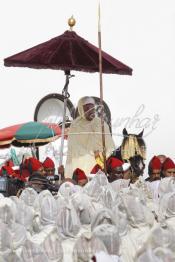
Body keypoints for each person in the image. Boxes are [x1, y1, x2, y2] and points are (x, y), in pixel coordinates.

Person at [65, 96, 115, 178]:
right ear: (81, 110)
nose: (90, 111)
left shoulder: (101, 124)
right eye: (87, 109)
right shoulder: (75, 125)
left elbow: (110, 147)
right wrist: (89, 155)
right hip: (80, 164)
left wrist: (101, 156)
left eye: (92, 108)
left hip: (99, 164)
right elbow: (73, 147)